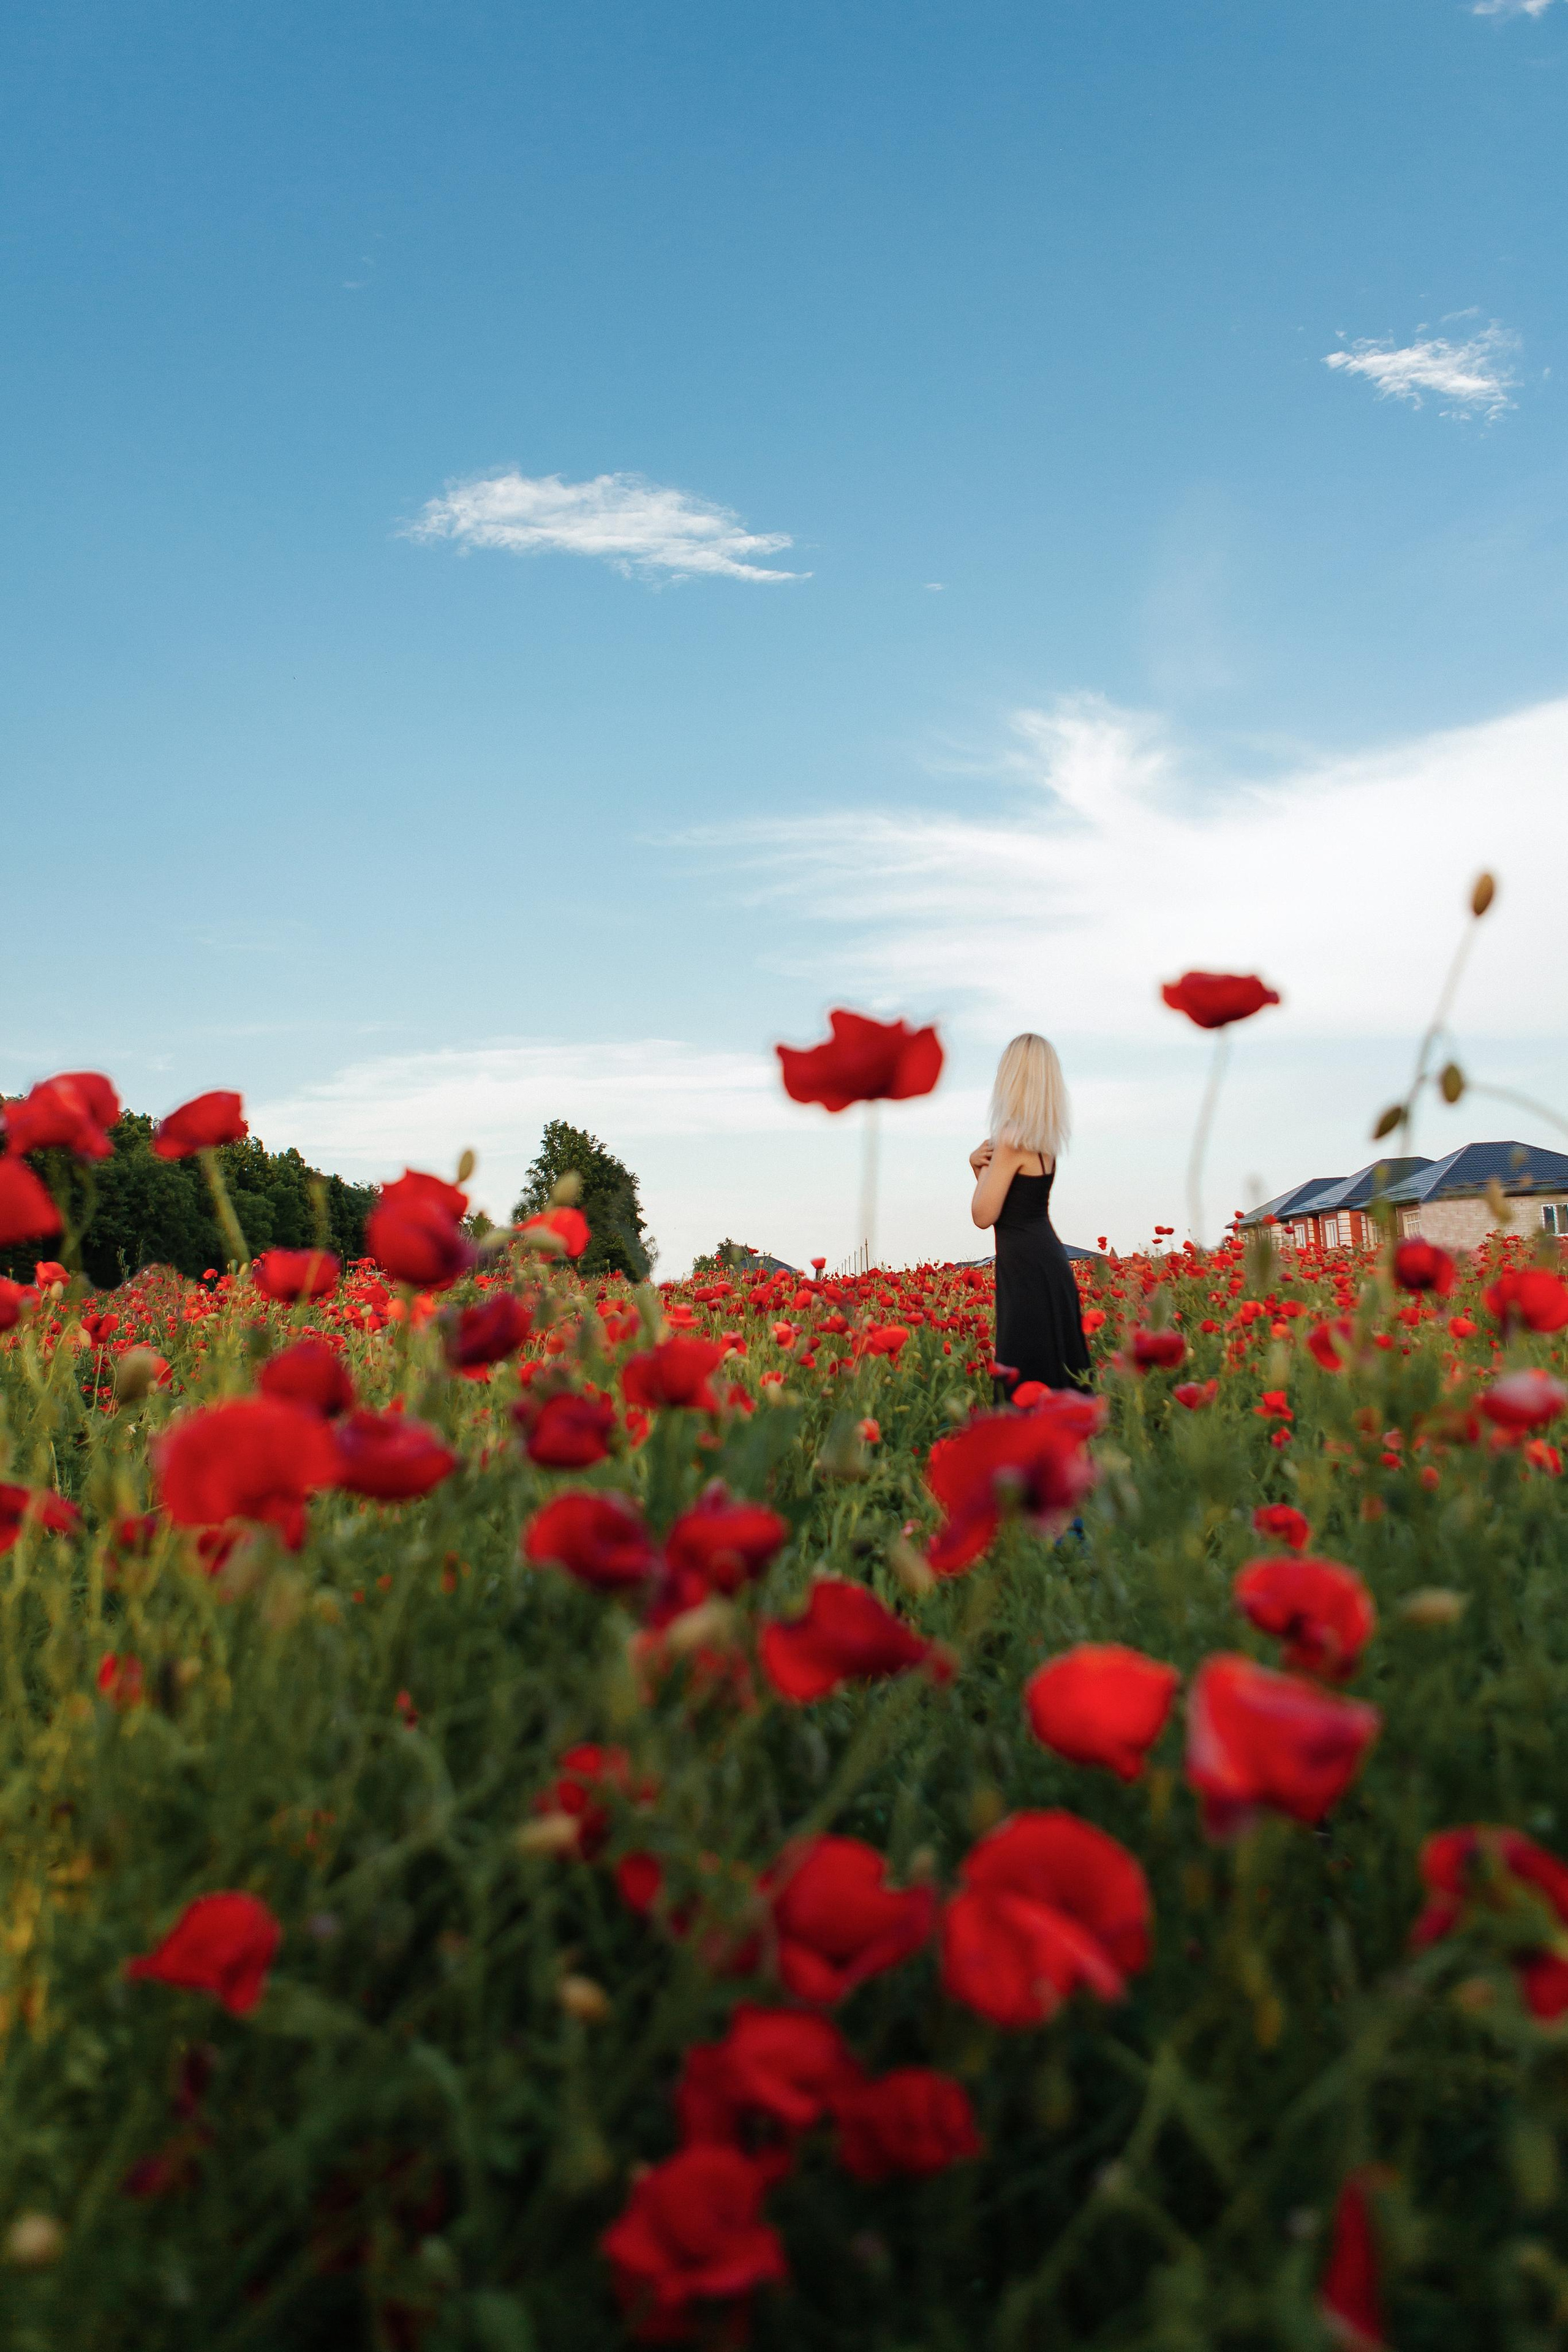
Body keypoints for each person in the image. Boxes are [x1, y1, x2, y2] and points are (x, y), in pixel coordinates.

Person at [969, 1033, 1091, 1401]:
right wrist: (982, 1171)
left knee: (1024, 1370)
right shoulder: (1043, 1141)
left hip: (1025, 1268)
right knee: (1054, 1369)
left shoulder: (1010, 1139)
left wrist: (972, 1164)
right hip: (1046, 1262)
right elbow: (1011, 1206)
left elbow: (983, 1214)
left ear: (1010, 1078)